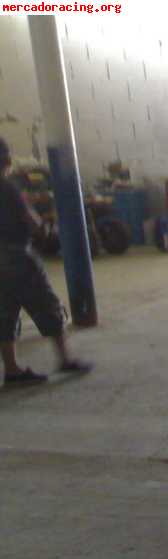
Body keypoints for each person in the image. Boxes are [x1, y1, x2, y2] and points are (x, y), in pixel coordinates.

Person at [0, 137, 91, 385]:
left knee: (5, 313)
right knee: (46, 304)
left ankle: (11, 370)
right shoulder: (7, 188)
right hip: (17, 256)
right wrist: (46, 228)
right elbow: (32, 223)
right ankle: (65, 359)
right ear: (7, 160)